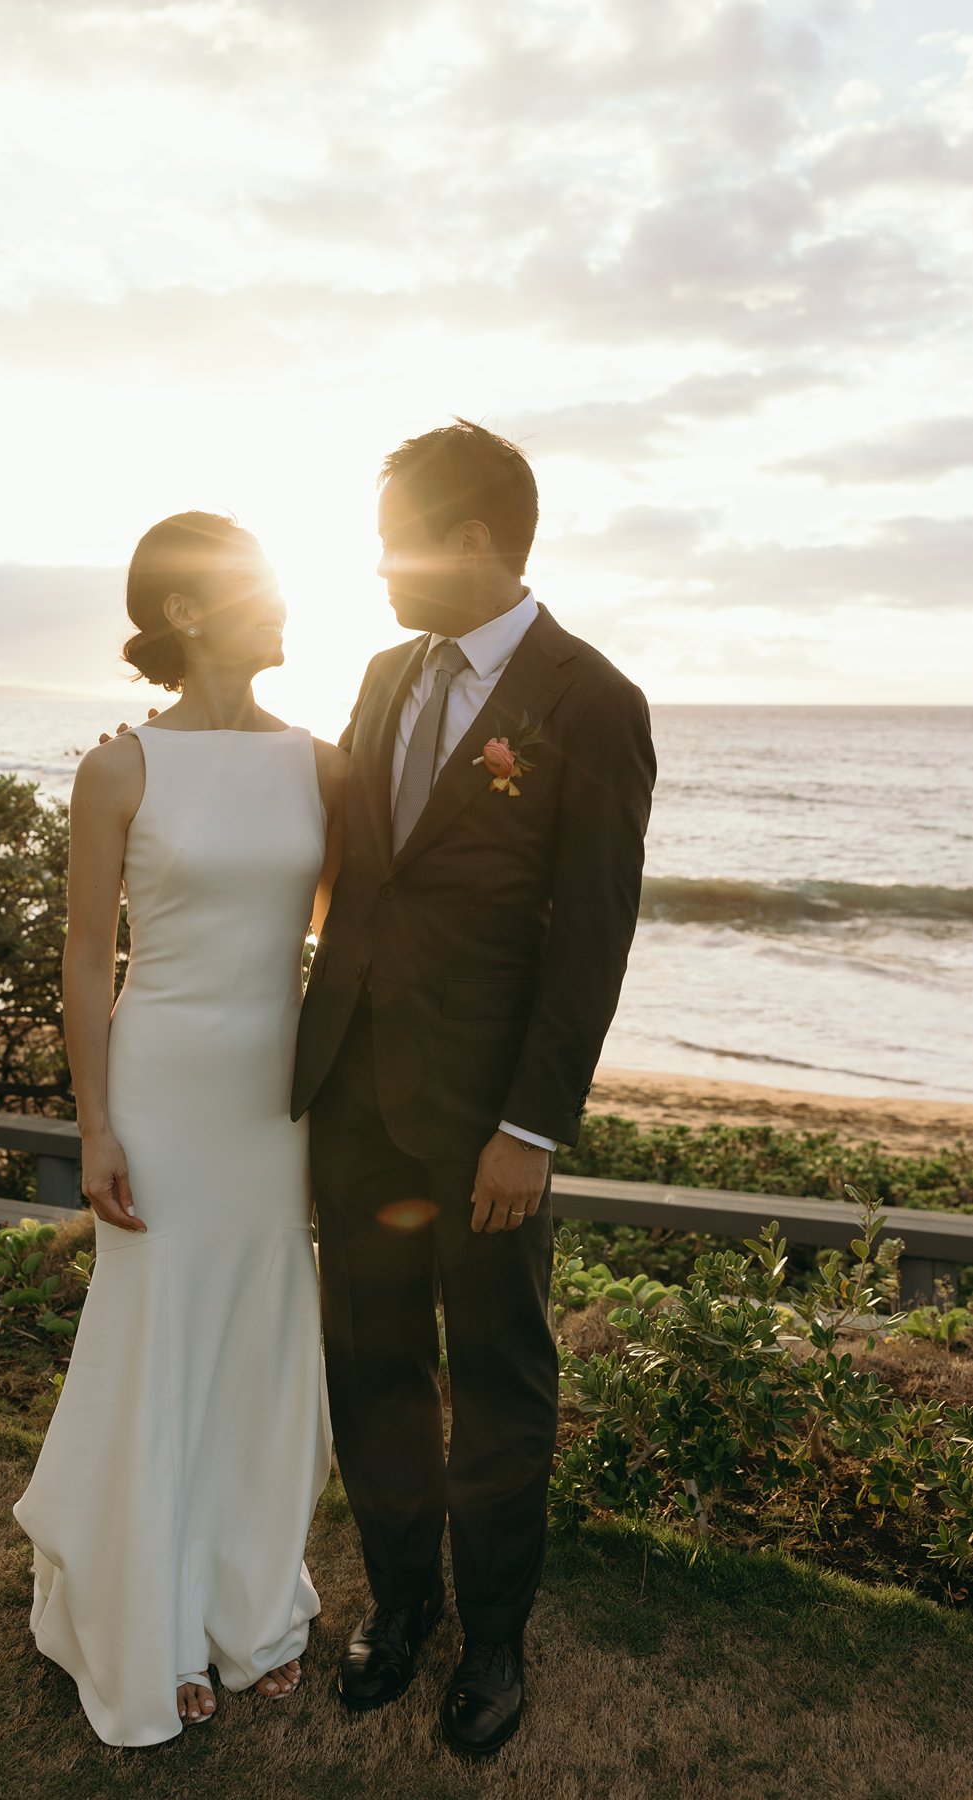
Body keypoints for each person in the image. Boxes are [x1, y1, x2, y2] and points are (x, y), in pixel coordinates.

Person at [292, 420, 657, 1756]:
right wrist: (178, 755)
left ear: (474, 541)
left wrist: (530, 1130)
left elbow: (589, 937)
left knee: (500, 1381)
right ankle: (398, 1609)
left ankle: (494, 1641)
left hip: (485, 1124)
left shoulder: (591, 700)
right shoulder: (383, 674)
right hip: (355, 1098)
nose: (376, 565)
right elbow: (341, 840)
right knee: (370, 1364)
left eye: (394, 535)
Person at [13, 511, 347, 1746]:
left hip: (275, 1100)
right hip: (161, 1089)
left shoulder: (322, 763)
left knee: (257, 1338)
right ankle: (146, 1618)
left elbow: (346, 932)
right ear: (188, 611)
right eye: (253, 586)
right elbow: (88, 959)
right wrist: (94, 1125)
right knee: (158, 1334)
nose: (279, 603)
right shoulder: (119, 770)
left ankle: (245, 1599)